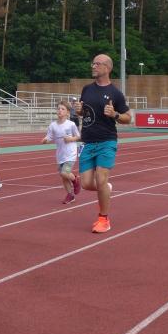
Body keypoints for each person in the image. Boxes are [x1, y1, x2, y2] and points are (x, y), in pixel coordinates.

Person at [73, 54, 131, 233]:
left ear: (107, 68)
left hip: (107, 140)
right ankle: (105, 188)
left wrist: (115, 114)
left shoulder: (115, 93)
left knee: (101, 178)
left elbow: (128, 118)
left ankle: (104, 219)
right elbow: (85, 113)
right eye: (93, 63)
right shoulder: (86, 89)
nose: (93, 66)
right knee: (86, 184)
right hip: (88, 141)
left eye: (97, 64)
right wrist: (79, 111)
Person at [42, 100, 81, 204]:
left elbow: (78, 136)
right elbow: (49, 137)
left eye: (62, 109)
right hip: (60, 155)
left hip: (70, 154)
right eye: (58, 108)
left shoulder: (71, 124)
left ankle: (75, 180)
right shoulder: (53, 125)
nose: (60, 110)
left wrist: (70, 139)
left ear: (67, 112)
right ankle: (70, 195)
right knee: (63, 176)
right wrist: (45, 140)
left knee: (65, 173)